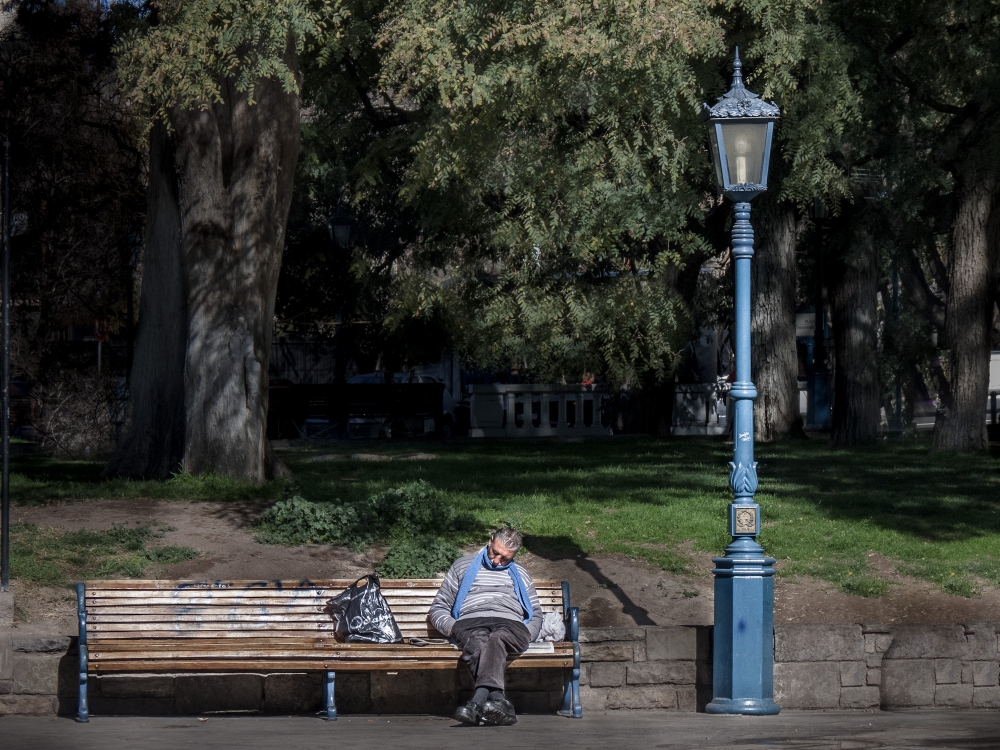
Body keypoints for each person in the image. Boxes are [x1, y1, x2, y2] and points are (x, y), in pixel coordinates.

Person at [429, 527, 542, 726]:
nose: (497, 561)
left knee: (497, 638)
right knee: (479, 642)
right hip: (471, 623)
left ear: (515, 555)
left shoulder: (521, 574)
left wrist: (528, 632)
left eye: (506, 558)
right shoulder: (462, 566)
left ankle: (477, 702)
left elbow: (536, 614)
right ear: (490, 541)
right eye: (495, 553)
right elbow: (439, 607)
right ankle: (499, 703)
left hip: (511, 625)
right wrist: (453, 628)